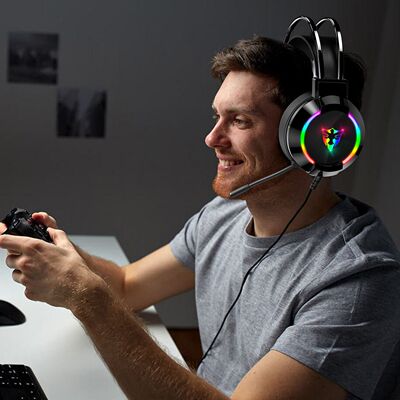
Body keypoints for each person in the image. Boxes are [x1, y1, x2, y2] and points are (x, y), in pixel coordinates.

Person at [0, 36, 399, 400]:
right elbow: (127, 285)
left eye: (240, 121)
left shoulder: (358, 280)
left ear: (314, 142)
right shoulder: (226, 213)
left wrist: (87, 298)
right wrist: (60, 253)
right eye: (216, 117)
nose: (212, 139)